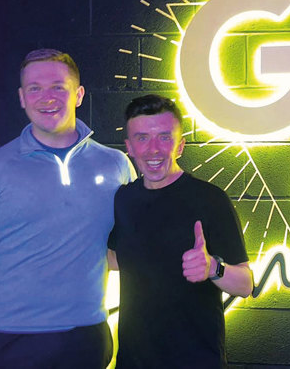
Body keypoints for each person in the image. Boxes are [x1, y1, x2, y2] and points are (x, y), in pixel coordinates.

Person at [0, 49, 134, 369]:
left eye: (57, 87)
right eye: (34, 88)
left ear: (78, 95)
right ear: (22, 98)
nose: (46, 97)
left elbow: (134, 247)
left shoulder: (116, 164)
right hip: (9, 340)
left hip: (87, 338)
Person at [107, 94, 253, 368]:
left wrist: (213, 268)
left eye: (164, 137)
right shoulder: (123, 200)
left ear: (181, 145)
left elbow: (245, 285)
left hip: (195, 361)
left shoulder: (210, 200)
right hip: (133, 361)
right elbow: (114, 259)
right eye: (142, 138)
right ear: (129, 147)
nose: (153, 150)